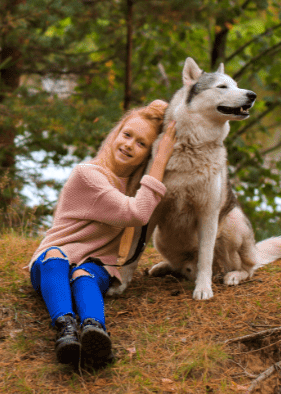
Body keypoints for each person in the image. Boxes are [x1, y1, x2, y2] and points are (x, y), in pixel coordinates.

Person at [28, 100, 177, 368]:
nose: (130, 145)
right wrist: (162, 159)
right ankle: (66, 331)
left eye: (142, 144)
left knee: (84, 274)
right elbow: (138, 213)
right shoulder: (88, 175)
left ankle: (95, 331)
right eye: (127, 134)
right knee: (56, 256)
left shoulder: (135, 186)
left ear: (148, 155)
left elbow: (144, 205)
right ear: (116, 134)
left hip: (95, 267)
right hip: (51, 266)